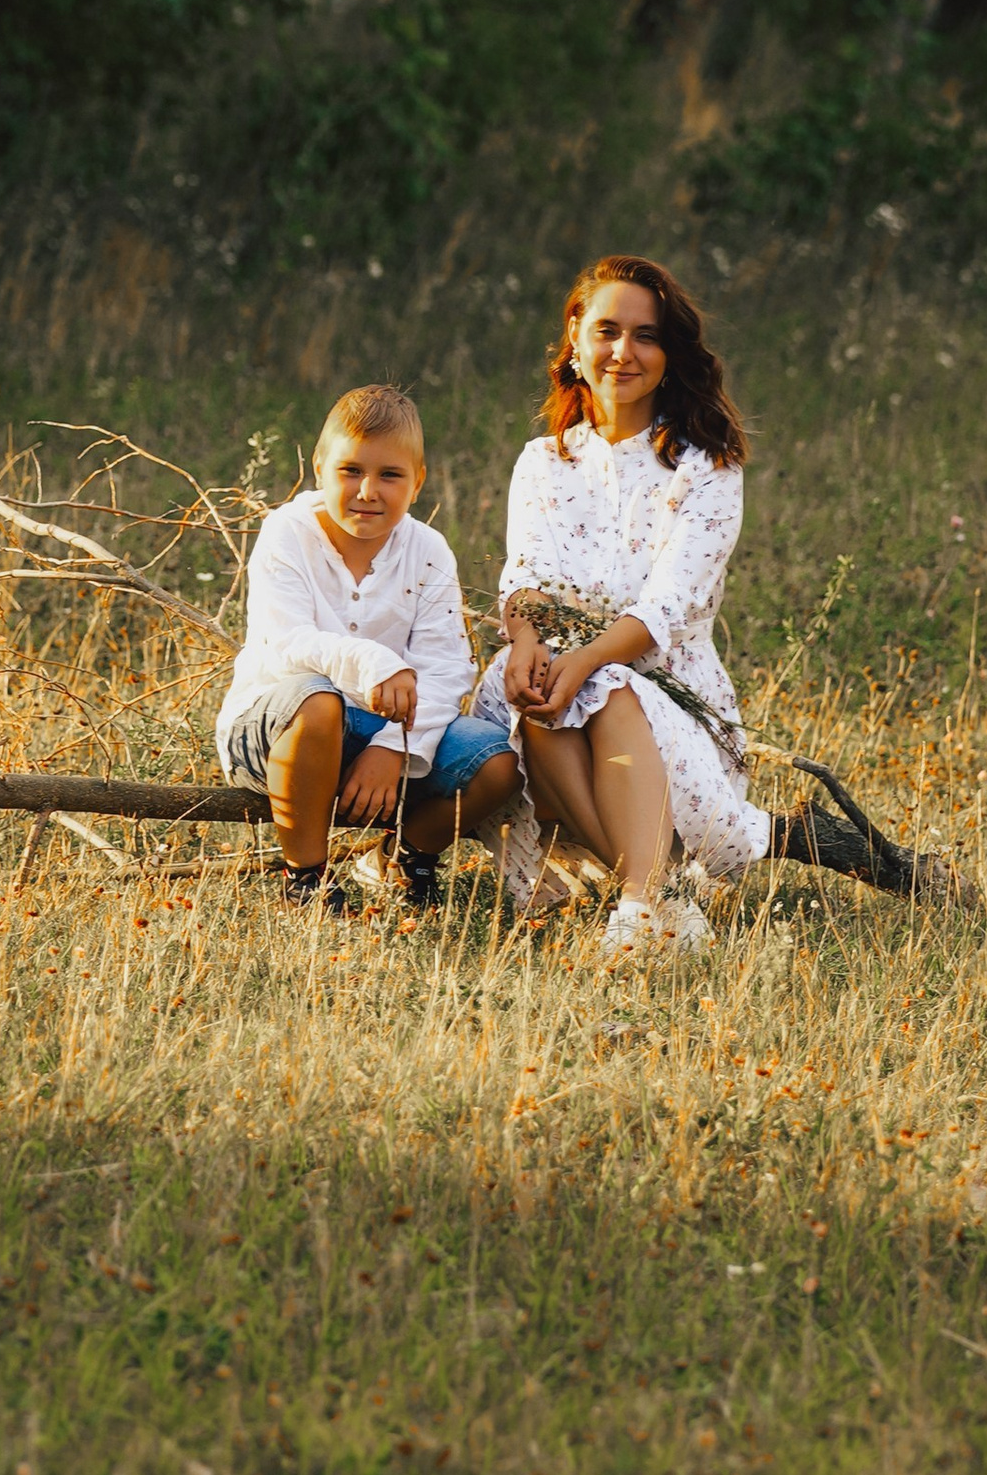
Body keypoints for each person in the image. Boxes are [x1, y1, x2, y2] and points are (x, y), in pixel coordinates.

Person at [477, 253, 767, 956]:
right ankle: (658, 896)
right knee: (538, 693)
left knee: (602, 685)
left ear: (670, 354)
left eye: (646, 336)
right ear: (575, 339)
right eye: (607, 330)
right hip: (562, 685)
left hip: (671, 695)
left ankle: (638, 905)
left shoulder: (706, 466)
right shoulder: (545, 460)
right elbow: (526, 578)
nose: (624, 352)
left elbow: (668, 607)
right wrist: (525, 644)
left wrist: (584, 662)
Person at [216, 385, 519, 914]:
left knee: (497, 761)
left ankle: (404, 857)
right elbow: (286, 642)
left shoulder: (427, 551)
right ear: (319, 467)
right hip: (275, 734)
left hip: (380, 739)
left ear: (418, 482)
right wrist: (375, 660)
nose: (367, 491)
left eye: (390, 475)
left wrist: (392, 748)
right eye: (350, 470)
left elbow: (445, 669)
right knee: (318, 699)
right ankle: (305, 878)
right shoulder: (287, 532)